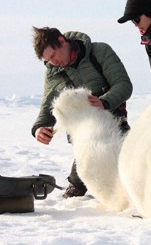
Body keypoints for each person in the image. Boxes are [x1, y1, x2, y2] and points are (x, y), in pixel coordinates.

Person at [31, 27, 133, 198]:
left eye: (54, 55)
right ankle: (76, 187)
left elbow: (123, 85)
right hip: (82, 136)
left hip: (114, 125)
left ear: (62, 41)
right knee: (85, 172)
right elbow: (48, 106)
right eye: (48, 60)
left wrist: (104, 101)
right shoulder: (52, 72)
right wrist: (39, 128)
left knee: (131, 166)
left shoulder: (99, 51)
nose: (53, 62)